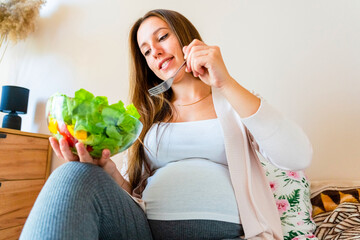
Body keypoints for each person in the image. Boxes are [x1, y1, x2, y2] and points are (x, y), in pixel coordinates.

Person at [20, 9, 312, 240]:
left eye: (161, 38)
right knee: (72, 173)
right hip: (141, 231)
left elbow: (297, 156)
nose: (155, 52)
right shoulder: (144, 120)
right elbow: (132, 192)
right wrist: (105, 168)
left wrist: (225, 81)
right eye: (146, 51)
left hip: (229, 233)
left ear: (186, 38)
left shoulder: (235, 103)